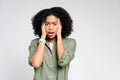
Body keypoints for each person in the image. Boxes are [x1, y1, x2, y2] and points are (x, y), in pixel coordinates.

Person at [28, 7, 76, 80]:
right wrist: (43, 36)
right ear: (42, 26)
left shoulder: (70, 43)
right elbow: (36, 64)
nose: (50, 28)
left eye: (54, 24)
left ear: (61, 25)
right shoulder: (35, 43)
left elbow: (62, 62)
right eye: (47, 24)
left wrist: (59, 35)